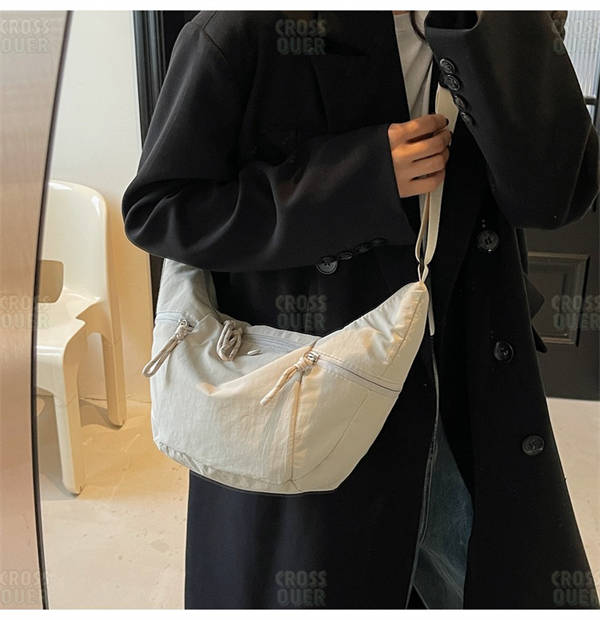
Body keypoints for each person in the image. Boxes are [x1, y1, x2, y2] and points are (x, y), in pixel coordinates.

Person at [122, 10, 600, 609]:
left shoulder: (494, 19)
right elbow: (160, 210)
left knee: (491, 573)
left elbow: (554, 198)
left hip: (466, 373)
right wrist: (359, 176)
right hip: (318, 387)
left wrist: (497, 32)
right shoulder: (247, 27)